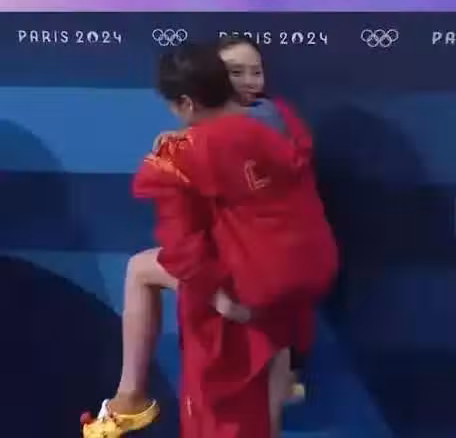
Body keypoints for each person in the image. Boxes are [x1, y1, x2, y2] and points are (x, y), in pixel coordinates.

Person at [81, 42, 337, 438]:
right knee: (266, 388)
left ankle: (130, 399)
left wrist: (218, 296)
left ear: (186, 102)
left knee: (224, 401)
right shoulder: (279, 121)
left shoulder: (182, 154)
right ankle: (282, 381)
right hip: (308, 271)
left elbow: (181, 243)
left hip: (250, 285)